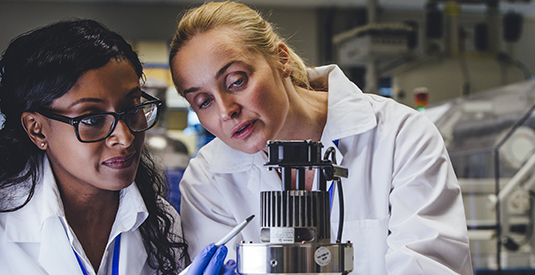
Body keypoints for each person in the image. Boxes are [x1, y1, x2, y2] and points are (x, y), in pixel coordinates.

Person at [169, 2, 473, 274]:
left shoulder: (399, 136)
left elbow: (428, 267)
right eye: (203, 102)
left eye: (236, 81)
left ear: (281, 59)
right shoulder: (208, 179)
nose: (226, 111)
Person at [0, 19, 231, 275]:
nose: (125, 137)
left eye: (133, 109)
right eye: (92, 119)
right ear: (36, 128)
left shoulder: (161, 222)